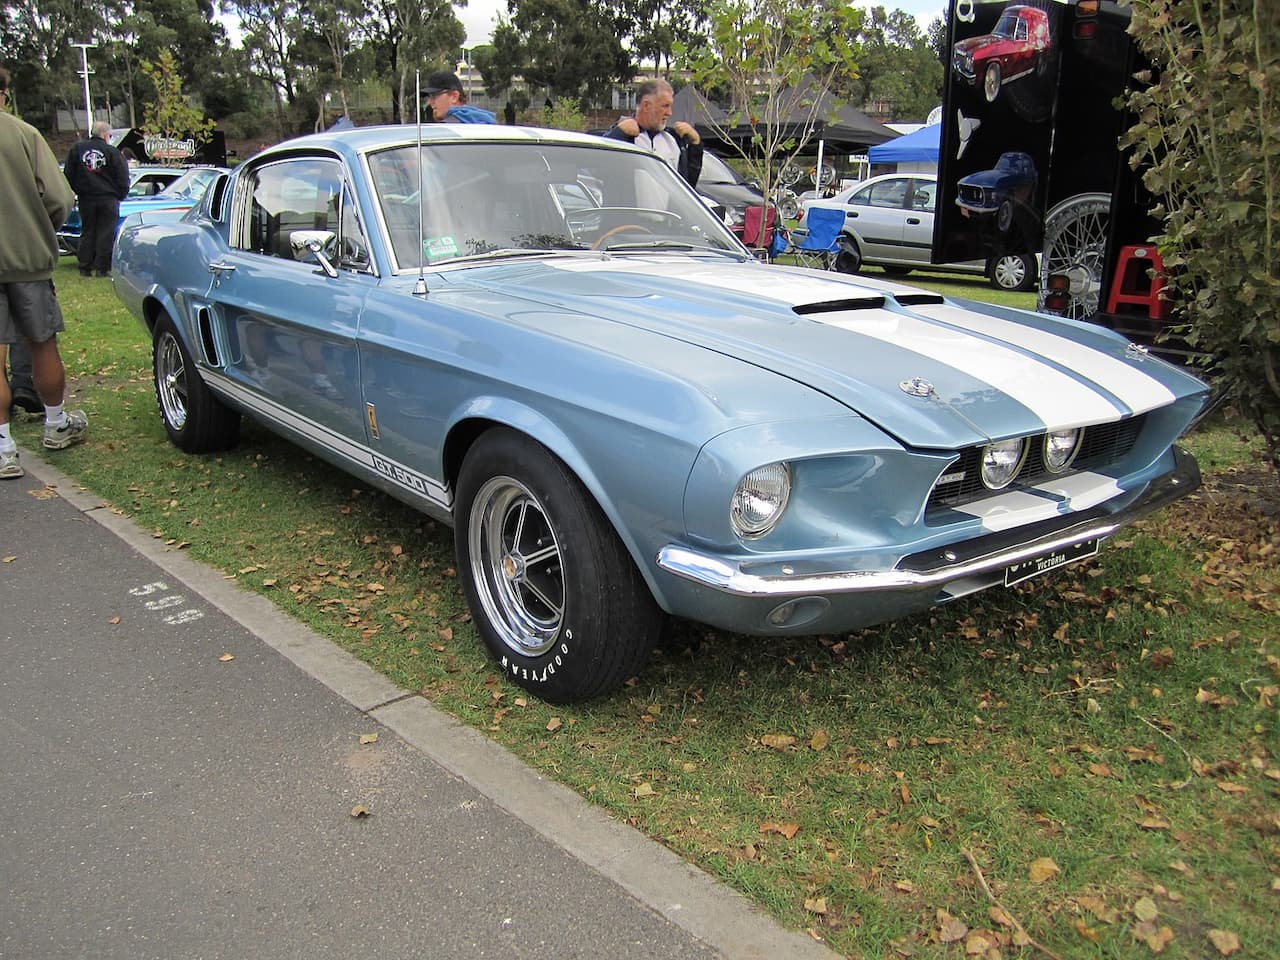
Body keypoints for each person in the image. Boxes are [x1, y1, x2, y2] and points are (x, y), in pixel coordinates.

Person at [0, 67, 89, 479]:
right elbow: (58, 196)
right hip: (29, 260)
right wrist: (41, 226)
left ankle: (3, 448)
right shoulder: (22, 134)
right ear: (3, 93)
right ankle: (55, 423)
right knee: (42, 344)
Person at [604, 78, 703, 188]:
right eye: (665, 106)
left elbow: (688, 188)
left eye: (670, 106)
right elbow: (599, 168)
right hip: (628, 205)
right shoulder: (623, 135)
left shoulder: (673, 139)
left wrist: (696, 144)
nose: (670, 113)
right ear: (646, 105)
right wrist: (618, 134)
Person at [63, 120, 130, 278]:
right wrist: (120, 194)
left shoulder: (77, 150)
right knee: (106, 233)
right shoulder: (112, 152)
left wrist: (76, 191)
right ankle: (102, 268)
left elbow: (68, 174)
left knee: (87, 232)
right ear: (106, 135)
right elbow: (122, 176)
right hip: (108, 198)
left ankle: (85, 266)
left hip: (86, 198)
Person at [423, 71, 496, 124]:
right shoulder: (487, 123)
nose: (430, 102)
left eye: (434, 95)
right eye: (429, 97)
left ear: (454, 96)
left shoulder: (449, 129)